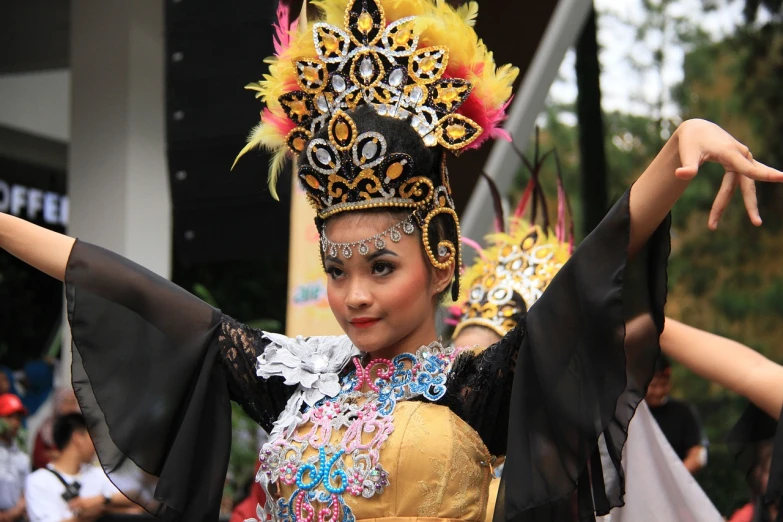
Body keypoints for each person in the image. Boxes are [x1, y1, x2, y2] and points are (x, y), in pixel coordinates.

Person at [1, 0, 782, 520]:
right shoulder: (293, 373)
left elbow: (591, 273)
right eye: (336, 269)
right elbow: (127, 286)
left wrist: (676, 151)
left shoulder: (474, 384)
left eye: (380, 267)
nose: (352, 296)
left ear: (441, 260)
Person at [24, 413, 138, 522]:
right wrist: (83, 518)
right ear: (78, 438)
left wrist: (102, 500)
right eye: (92, 437)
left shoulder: (99, 473)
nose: (96, 444)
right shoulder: (38, 480)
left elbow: (138, 497)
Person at [644, 355, 707, 474]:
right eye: (653, 386)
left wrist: (676, 476)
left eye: (663, 385)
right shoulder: (630, 413)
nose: (658, 391)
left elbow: (697, 453)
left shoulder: (683, 411)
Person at [31, 389, 80, 471]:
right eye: (66, 402)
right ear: (58, 403)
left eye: (73, 402)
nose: (70, 407)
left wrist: (61, 455)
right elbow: (37, 457)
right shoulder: (47, 428)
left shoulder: (81, 429)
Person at [0, 394, 28, 522]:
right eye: (9, 417)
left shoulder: (22, 455)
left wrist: (17, 511)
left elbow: (26, 489)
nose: (15, 423)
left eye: (18, 418)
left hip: (17, 517)